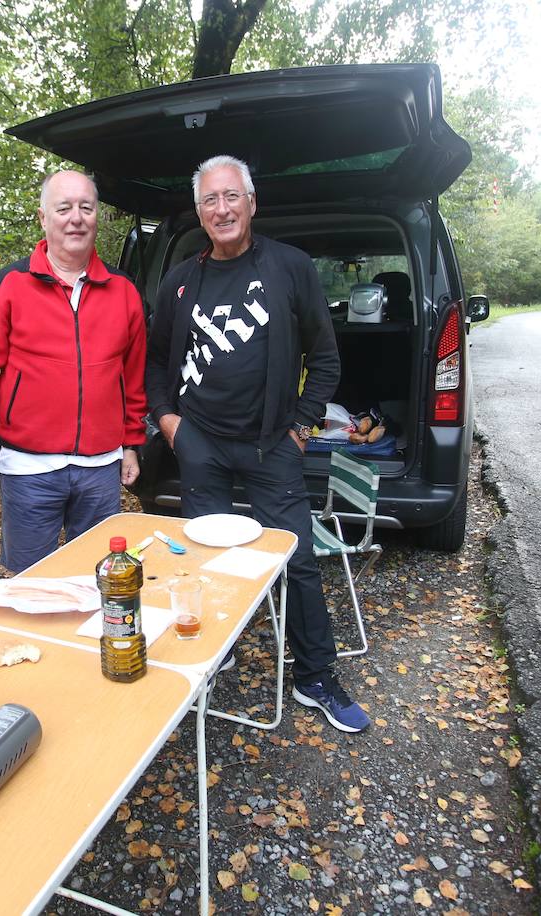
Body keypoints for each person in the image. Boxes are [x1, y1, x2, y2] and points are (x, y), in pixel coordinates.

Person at [144, 155, 370, 733]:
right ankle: (215, 660)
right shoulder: (180, 282)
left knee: (295, 560)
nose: (221, 209)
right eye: (210, 201)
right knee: (206, 562)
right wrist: (169, 421)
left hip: (274, 445)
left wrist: (300, 428)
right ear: (199, 212)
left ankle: (316, 676)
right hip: (202, 446)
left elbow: (324, 359)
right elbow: (155, 361)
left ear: (251, 202)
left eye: (231, 197)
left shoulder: (289, 268)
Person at [0, 170, 147, 572]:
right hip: (28, 468)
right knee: (28, 584)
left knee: (98, 579)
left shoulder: (124, 291)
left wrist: (131, 441)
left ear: (98, 216)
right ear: (44, 219)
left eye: (86, 207)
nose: (76, 217)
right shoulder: (7, 286)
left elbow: (133, 377)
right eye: (64, 208)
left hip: (100, 468)